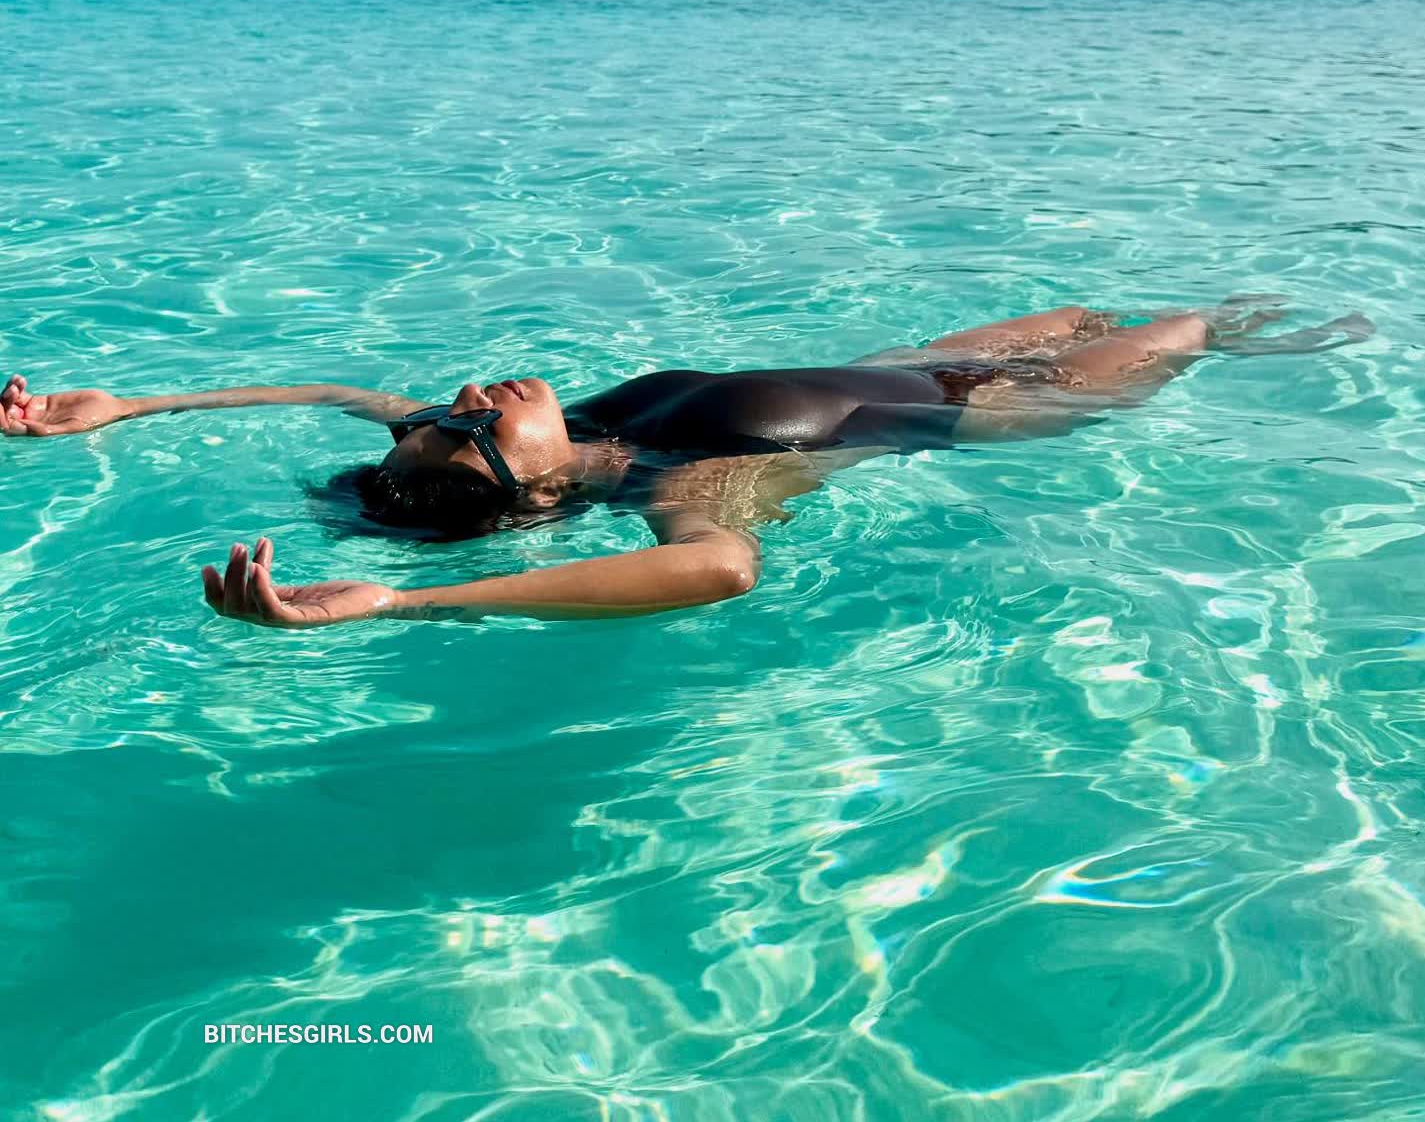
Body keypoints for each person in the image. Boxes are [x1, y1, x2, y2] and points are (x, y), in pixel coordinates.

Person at [1, 300, 1369, 630]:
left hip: (909, 358)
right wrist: (402, 602)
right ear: (529, 492)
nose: (464, 398)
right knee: (1202, 320)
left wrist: (131, 404)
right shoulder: (687, 483)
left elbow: (328, 391)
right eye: (469, 427)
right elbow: (718, 571)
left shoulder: (560, 437)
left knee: (1079, 302)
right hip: (1000, 411)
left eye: (443, 410)